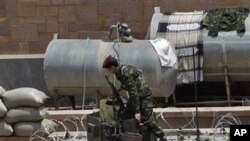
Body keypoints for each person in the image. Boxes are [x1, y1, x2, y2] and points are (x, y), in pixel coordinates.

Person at [102, 55, 167, 141]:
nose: (108, 71)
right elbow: (130, 83)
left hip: (144, 95)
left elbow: (133, 93)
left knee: (147, 120)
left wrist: (137, 111)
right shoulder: (119, 72)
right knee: (124, 114)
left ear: (113, 67)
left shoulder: (125, 73)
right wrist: (120, 89)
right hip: (137, 95)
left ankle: (163, 137)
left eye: (108, 69)